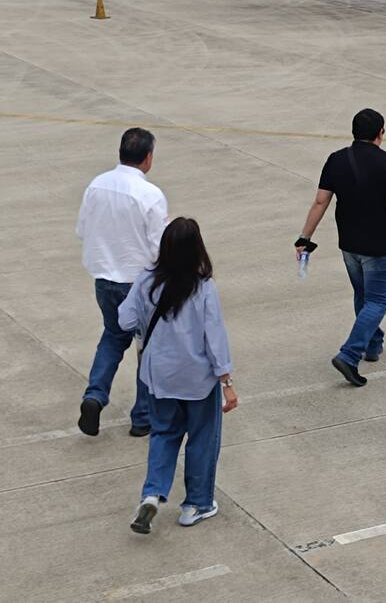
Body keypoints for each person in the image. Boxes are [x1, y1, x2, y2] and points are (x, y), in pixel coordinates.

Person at [119, 217, 237, 534]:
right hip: (198, 379)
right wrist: (226, 381)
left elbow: (124, 319)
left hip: (159, 376)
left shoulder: (146, 281)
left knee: (163, 435)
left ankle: (152, 494)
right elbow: (215, 338)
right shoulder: (203, 287)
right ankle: (195, 504)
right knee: (201, 439)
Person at [296, 109, 386, 386]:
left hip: (348, 243)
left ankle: (373, 344)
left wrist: (304, 238)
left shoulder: (336, 160)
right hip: (379, 244)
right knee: (378, 300)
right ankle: (350, 354)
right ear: (380, 133)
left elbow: (320, 201)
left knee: (362, 294)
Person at [75, 128, 168, 438]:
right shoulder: (150, 194)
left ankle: (95, 395)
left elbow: (82, 229)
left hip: (104, 278)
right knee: (148, 346)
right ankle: (142, 417)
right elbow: (159, 247)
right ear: (148, 158)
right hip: (138, 283)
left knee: (113, 336)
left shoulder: (96, 185)